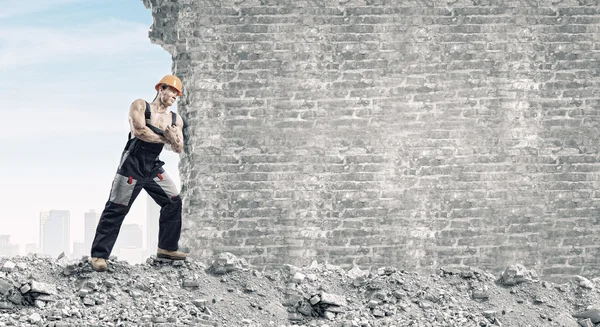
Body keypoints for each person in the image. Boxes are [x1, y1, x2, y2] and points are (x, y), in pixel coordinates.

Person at [89, 74, 187, 272]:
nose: (174, 97)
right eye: (172, 92)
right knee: (116, 207)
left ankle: (166, 248)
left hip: (153, 167)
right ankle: (99, 255)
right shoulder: (141, 106)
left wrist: (174, 139)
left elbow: (179, 148)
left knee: (173, 200)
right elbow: (139, 131)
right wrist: (166, 138)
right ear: (161, 89)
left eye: (177, 95)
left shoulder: (175, 119)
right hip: (132, 165)